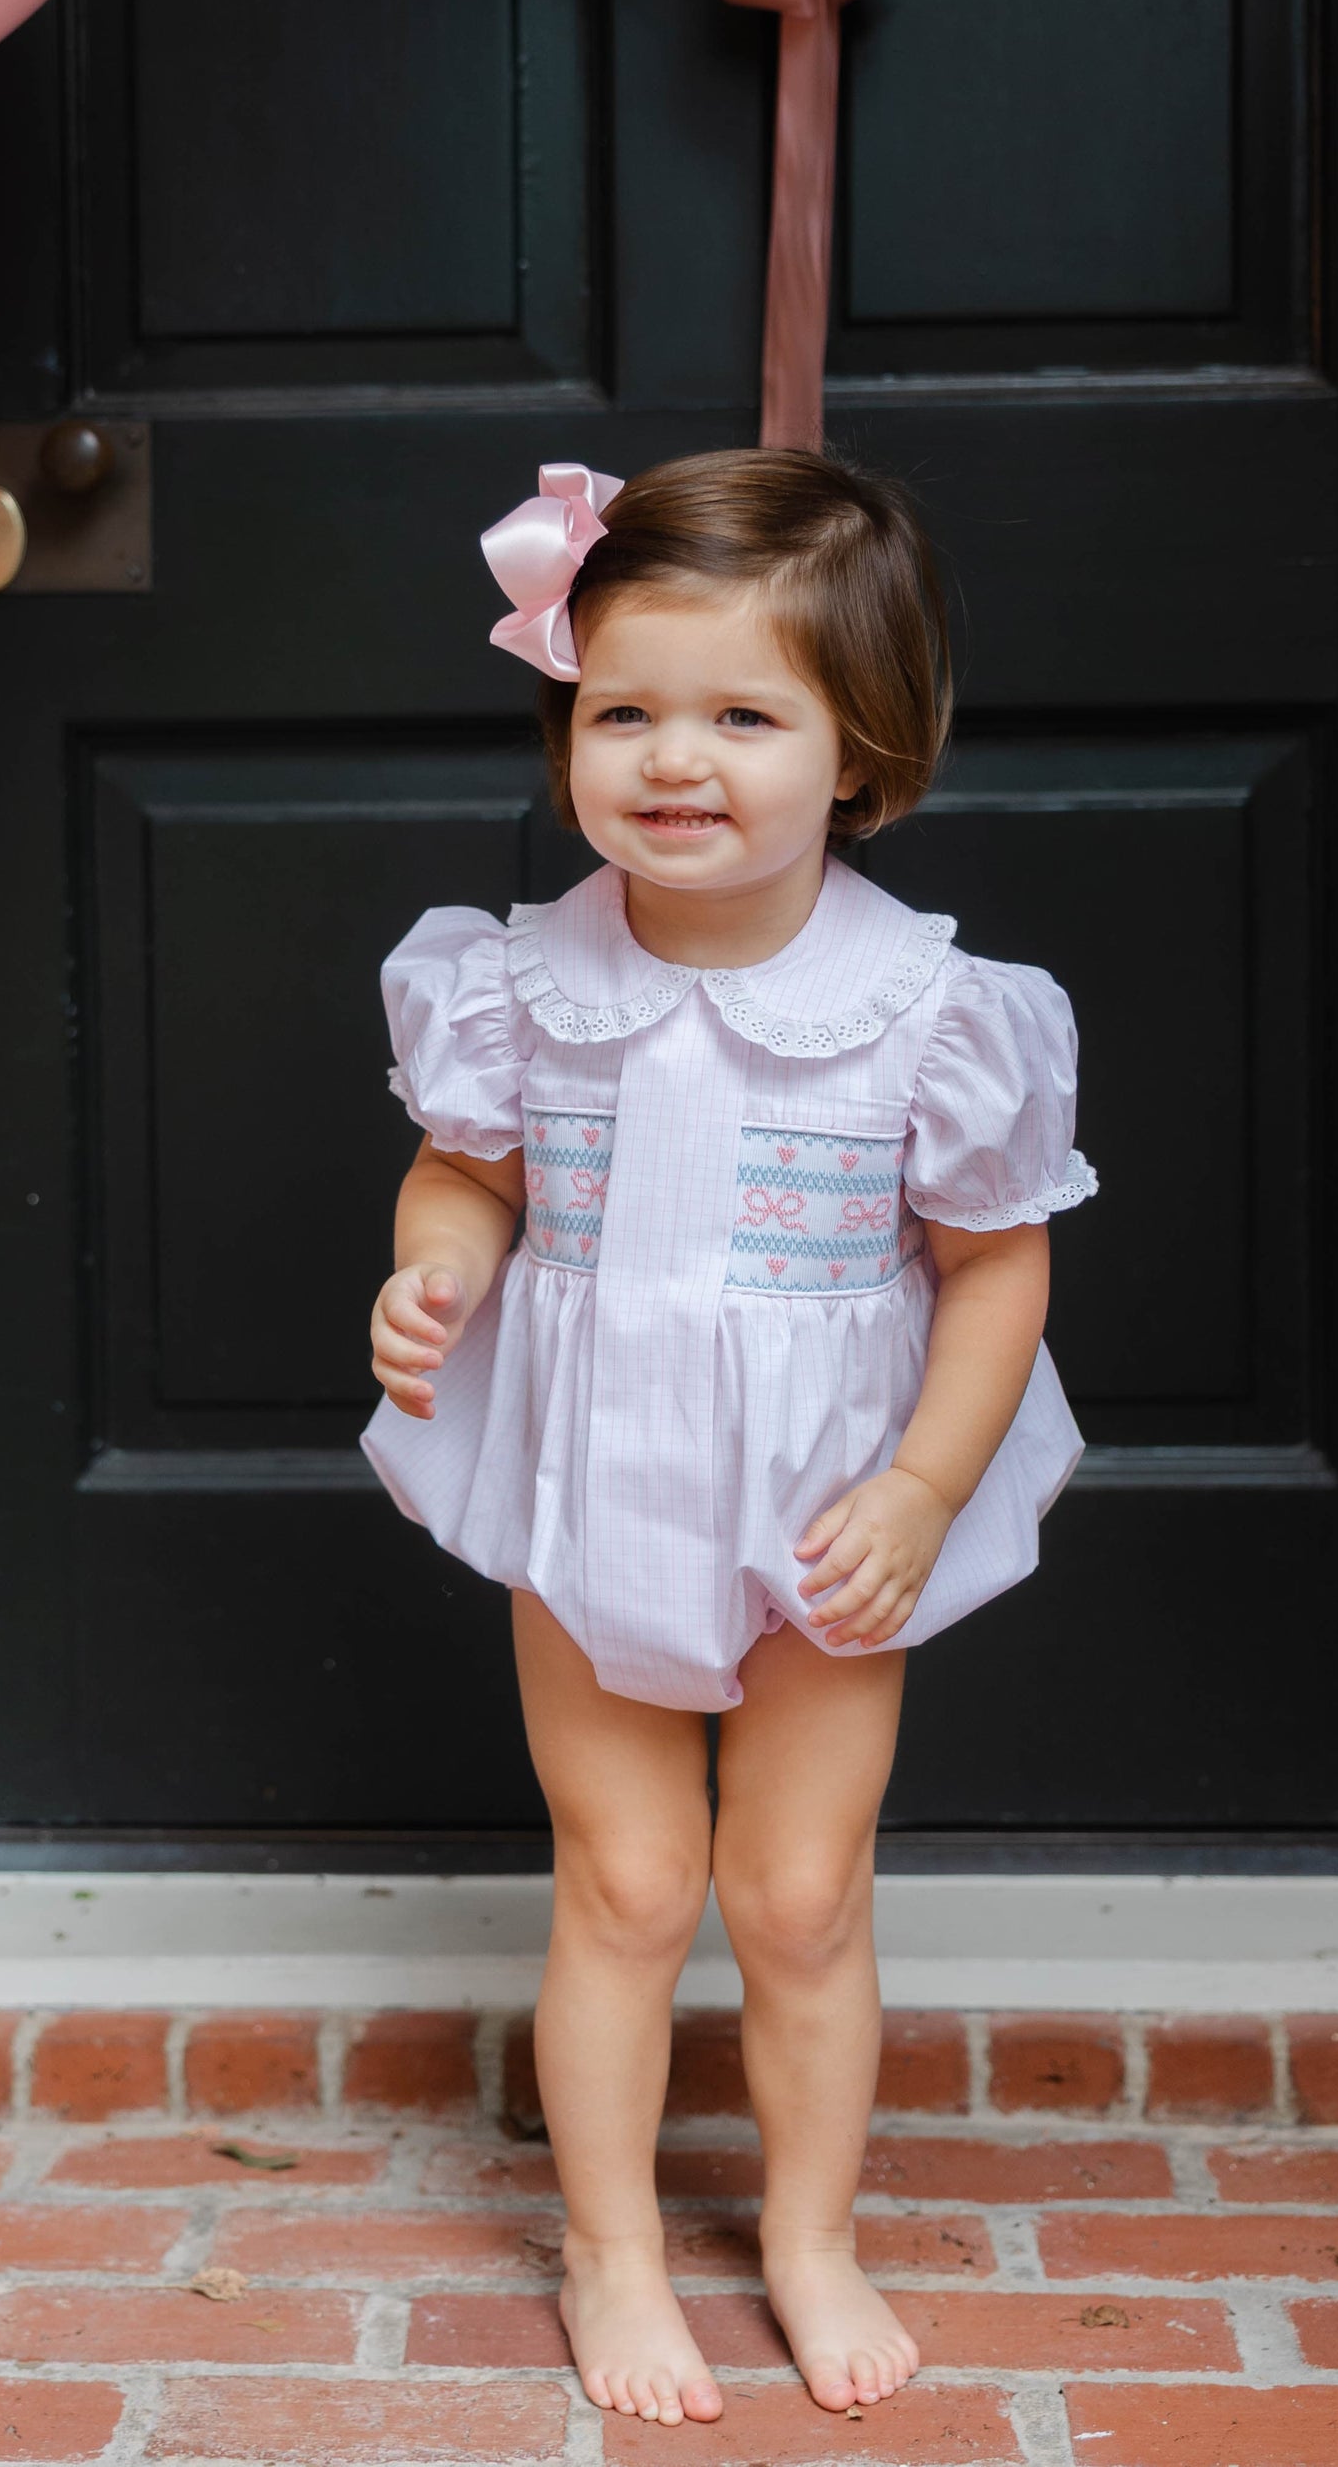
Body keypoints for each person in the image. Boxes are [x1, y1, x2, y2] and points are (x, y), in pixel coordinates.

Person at [363, 449, 1095, 2427]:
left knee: (792, 1892)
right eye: (624, 708)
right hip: (588, 1478)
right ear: (567, 718)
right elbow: (467, 1173)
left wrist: (926, 1481)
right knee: (620, 1878)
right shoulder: (519, 981)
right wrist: (433, 1268)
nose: (673, 758)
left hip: (829, 1504)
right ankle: (609, 2246)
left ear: (857, 750)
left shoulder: (928, 1006)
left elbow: (992, 1267)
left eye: (743, 714)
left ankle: (805, 2225)